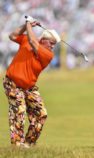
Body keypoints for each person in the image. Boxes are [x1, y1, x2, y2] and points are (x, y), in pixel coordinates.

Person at [3, 16, 61, 148]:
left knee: (42, 113)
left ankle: (28, 144)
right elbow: (12, 36)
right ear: (43, 40)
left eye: (54, 44)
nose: (52, 46)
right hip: (12, 83)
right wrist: (26, 25)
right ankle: (17, 145)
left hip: (29, 87)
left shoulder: (47, 54)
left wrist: (29, 23)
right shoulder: (28, 41)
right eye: (51, 43)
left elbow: (33, 42)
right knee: (19, 110)